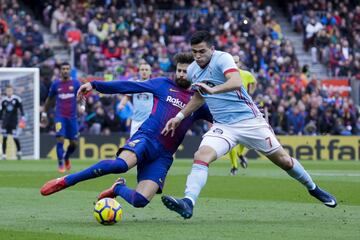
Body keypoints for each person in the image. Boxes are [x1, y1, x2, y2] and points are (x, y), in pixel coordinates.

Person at [161, 30, 337, 219]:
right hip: (223, 126)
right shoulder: (193, 70)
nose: (198, 56)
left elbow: (236, 82)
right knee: (201, 155)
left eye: (202, 51)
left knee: (284, 161)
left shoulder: (223, 59)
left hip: (250, 122)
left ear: (212, 49)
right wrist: (179, 117)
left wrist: (213, 90)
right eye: (194, 52)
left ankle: (313, 188)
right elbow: (198, 97)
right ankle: (188, 202)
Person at [40, 53, 213, 210]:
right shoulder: (163, 84)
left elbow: (223, 120)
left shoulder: (199, 102)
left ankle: (118, 188)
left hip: (163, 155)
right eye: (179, 70)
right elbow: (127, 85)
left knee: (140, 200)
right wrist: (95, 85)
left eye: (185, 71)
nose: (181, 74)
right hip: (146, 138)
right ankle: (66, 180)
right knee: (120, 165)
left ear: (194, 72)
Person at [41, 62, 81, 172]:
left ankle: (66, 157)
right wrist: (44, 113)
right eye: (63, 69)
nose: (65, 71)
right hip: (60, 116)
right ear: (60, 70)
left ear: (70, 70)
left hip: (72, 117)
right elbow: (49, 100)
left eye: (67, 69)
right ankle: (60, 164)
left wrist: (81, 106)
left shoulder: (76, 83)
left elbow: (82, 96)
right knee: (60, 138)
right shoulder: (55, 84)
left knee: (74, 143)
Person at [228, 55, 257, 175]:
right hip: (230, 109)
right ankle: (234, 166)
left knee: (245, 136)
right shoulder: (225, 75)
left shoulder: (245, 74)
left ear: (239, 63)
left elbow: (253, 82)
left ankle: (240, 154)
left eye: (236, 62)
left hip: (243, 108)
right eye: (232, 62)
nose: (235, 64)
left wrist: (250, 93)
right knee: (230, 139)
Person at [118, 62, 153, 137]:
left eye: (146, 70)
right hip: (136, 119)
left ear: (150, 72)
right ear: (139, 72)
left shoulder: (154, 85)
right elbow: (127, 96)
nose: (144, 71)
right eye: (142, 69)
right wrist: (122, 104)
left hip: (149, 120)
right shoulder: (135, 84)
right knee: (133, 144)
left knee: (147, 143)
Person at [0, 85, 25, 160]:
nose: (9, 92)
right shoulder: (3, 100)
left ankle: (19, 152)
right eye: (7, 91)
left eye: (10, 90)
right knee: (5, 138)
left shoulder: (17, 99)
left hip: (14, 121)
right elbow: (1, 112)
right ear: (6, 91)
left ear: (12, 91)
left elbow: (21, 110)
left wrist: (23, 119)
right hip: (5, 122)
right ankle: (4, 154)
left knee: (15, 137)